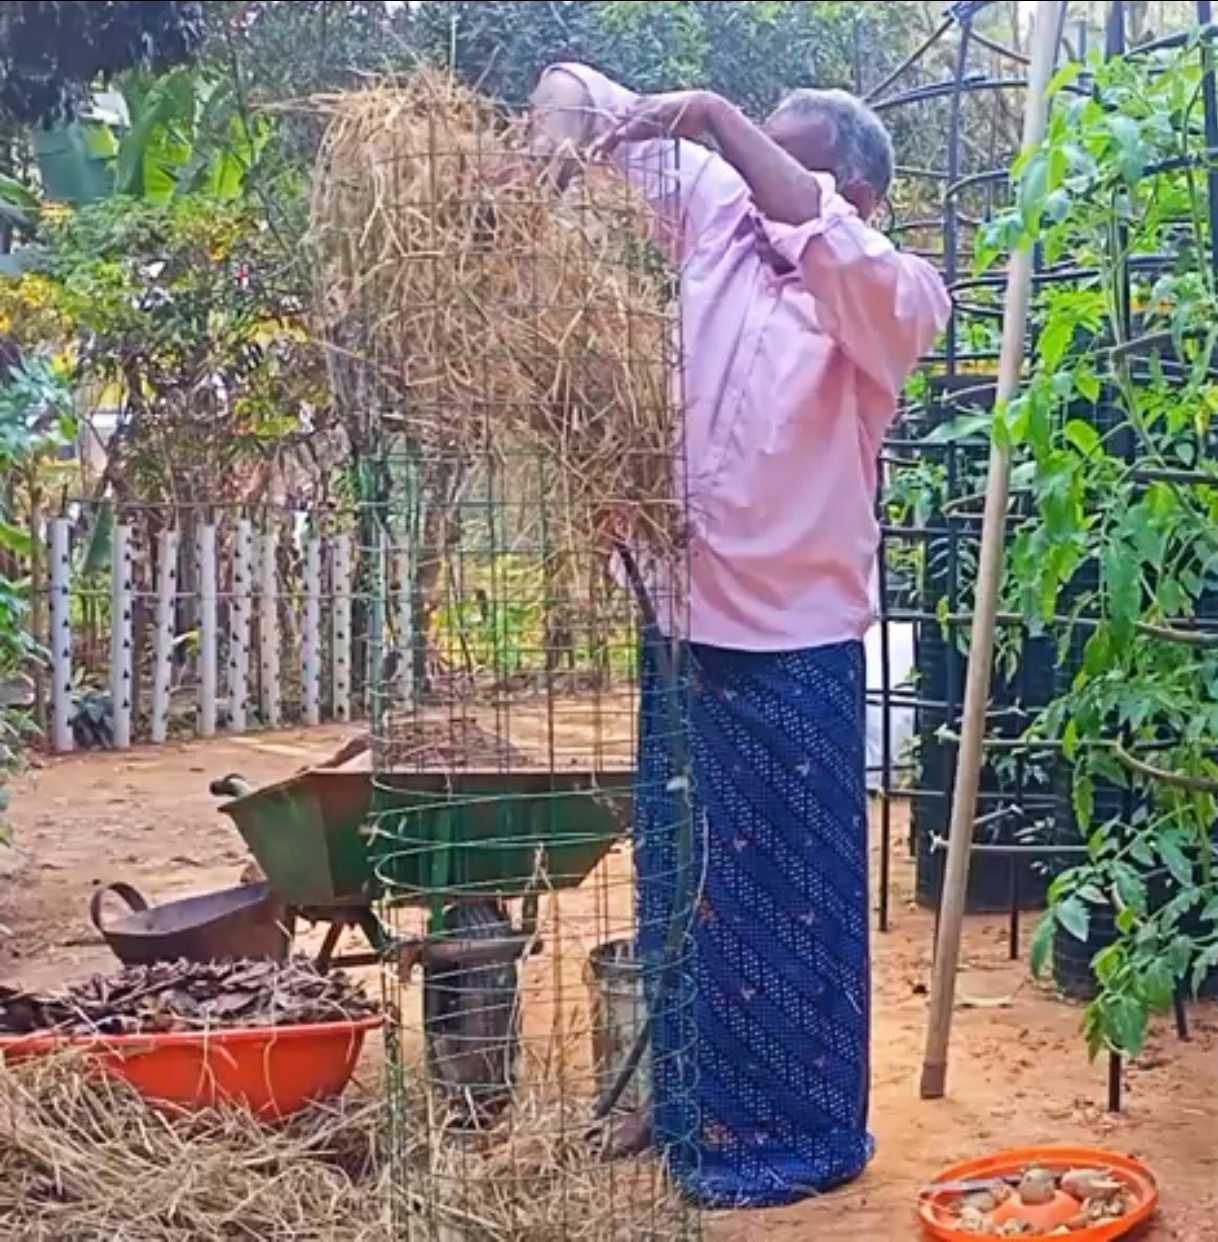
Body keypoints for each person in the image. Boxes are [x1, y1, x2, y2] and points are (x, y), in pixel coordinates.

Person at [529, 65, 950, 1208]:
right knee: (686, 888)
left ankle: (797, 1141)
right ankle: (689, 1122)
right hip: (683, 627)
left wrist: (716, 116)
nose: (743, 175)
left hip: (796, 647)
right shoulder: (720, 221)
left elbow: (806, 220)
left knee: (790, 907)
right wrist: (546, 153)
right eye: (744, 154)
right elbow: (575, 88)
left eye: (783, 158)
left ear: (851, 188)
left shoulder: (891, 290)